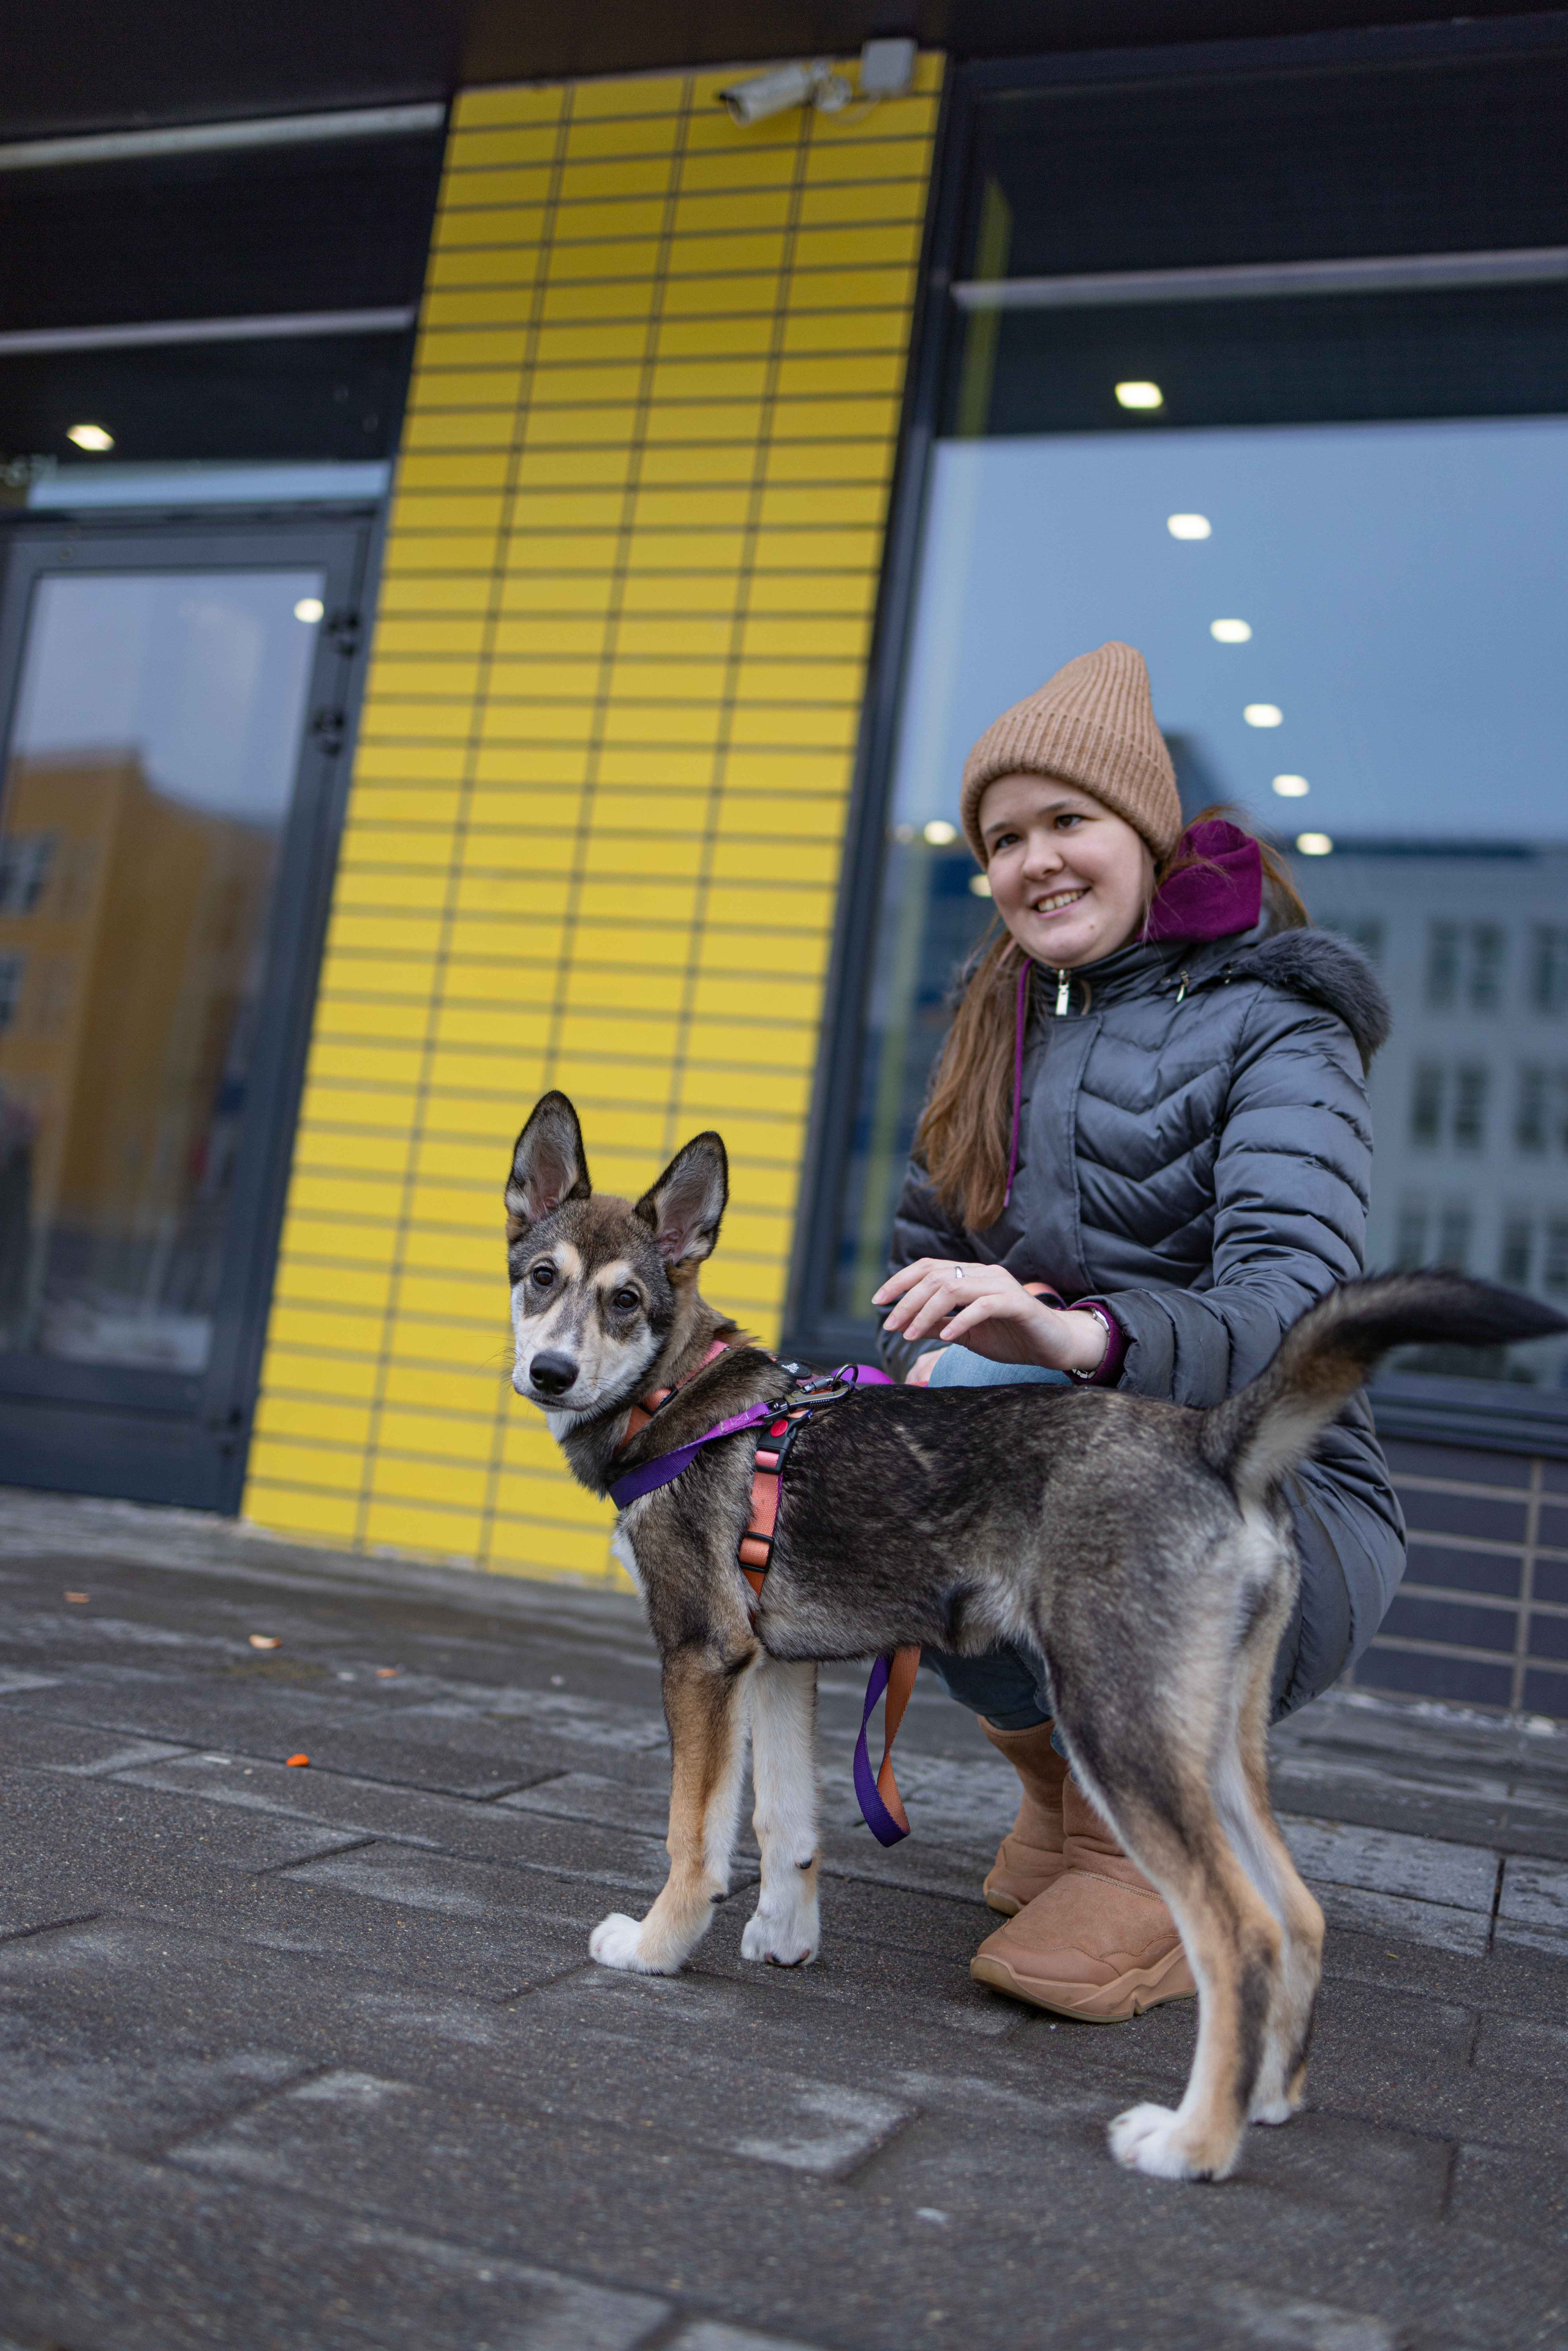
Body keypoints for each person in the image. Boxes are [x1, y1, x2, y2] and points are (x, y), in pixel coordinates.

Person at [872, 640, 1400, 2024]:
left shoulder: (1275, 1025)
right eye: (1002, 837)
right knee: (899, 1440)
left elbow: (1300, 1311)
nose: (1034, 860)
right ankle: (1063, 1799)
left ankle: (1162, 1851)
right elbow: (922, 1271)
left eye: (1068, 822)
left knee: (1005, 1391)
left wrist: (1071, 1335)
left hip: (1268, 1492)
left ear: (1146, 837)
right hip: (1080, 1470)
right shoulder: (994, 1021)